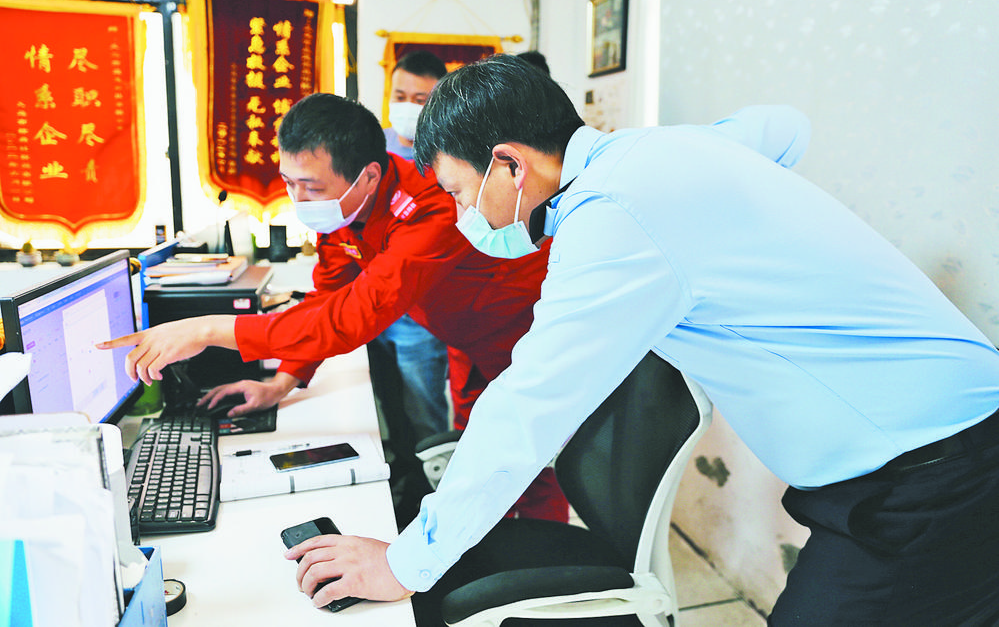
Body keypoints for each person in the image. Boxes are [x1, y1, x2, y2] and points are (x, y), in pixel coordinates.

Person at [268, 54, 999, 625]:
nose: (466, 218)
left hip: (930, 472)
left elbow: (528, 406)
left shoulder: (612, 218)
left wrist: (404, 564)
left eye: (461, 193)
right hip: (939, 444)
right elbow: (784, 127)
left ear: (511, 164)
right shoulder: (651, 153)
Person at [100, 91, 566, 525]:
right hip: (465, 338)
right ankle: (493, 540)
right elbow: (327, 298)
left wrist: (209, 331)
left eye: (311, 186)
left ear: (368, 176)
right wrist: (282, 381)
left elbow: (354, 317)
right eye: (289, 183)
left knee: (530, 462)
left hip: (519, 335)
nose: (299, 200)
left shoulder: (430, 207)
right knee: (482, 455)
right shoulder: (343, 208)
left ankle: (547, 564)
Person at [368, 50, 451, 508]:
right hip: (372, 307)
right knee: (385, 406)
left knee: (425, 411)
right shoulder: (372, 149)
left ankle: (434, 495)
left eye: (420, 99)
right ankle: (401, 484)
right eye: (400, 95)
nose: (406, 107)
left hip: (420, 314)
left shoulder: (447, 156)